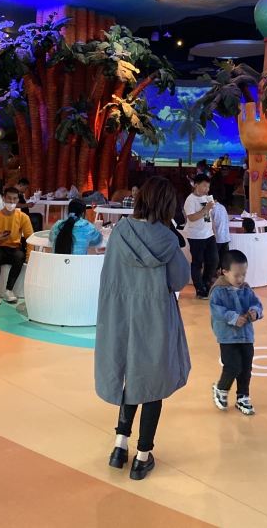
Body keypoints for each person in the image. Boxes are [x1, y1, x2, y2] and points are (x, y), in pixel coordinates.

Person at [95, 176, 191, 481]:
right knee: (152, 384)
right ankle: (142, 457)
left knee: (130, 379)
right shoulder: (168, 239)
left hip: (122, 315)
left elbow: (110, 275)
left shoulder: (120, 231)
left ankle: (119, 446)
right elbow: (179, 280)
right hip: (155, 318)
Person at [210, 249, 263, 416]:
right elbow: (216, 311)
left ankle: (243, 396)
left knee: (246, 367)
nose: (241, 279)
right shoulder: (218, 290)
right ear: (224, 272)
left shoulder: (246, 289)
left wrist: (255, 312)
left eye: (244, 275)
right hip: (228, 337)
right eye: (237, 275)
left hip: (246, 336)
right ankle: (221, 389)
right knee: (232, 366)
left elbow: (257, 303)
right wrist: (233, 317)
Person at [0, 186, 33, 305]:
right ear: (3, 198)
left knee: (19, 256)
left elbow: (30, 238)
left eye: (14, 199)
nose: (11, 201)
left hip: (15, 248)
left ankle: (9, 290)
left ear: (18, 200)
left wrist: (29, 257)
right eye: (9, 198)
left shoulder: (23, 217)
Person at [183, 174, 218, 299]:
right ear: (196, 185)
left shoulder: (207, 197)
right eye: (204, 186)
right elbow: (191, 218)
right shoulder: (190, 200)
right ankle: (199, 289)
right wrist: (206, 209)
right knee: (197, 262)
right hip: (196, 236)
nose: (206, 189)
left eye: (208, 186)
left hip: (209, 234)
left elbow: (209, 216)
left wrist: (214, 231)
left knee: (213, 260)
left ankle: (206, 284)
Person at [211, 197, 230, 270]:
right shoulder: (223, 207)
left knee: (214, 260)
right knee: (224, 260)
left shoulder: (210, 209)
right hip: (225, 237)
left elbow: (207, 222)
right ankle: (224, 274)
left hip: (217, 238)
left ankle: (213, 274)